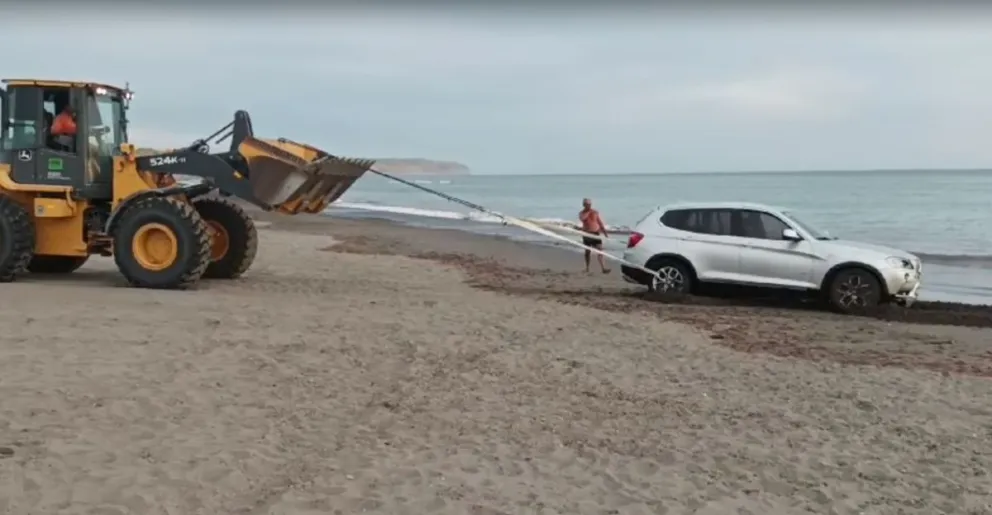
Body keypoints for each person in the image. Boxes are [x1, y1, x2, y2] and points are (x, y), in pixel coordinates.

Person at [578, 197, 611, 274]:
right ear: (584, 205)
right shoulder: (582, 213)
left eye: (590, 204)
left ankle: (603, 268)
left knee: (600, 250)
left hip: (595, 233)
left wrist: (605, 232)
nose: (589, 206)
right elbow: (583, 218)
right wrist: (588, 212)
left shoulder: (595, 212)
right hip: (586, 234)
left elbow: (599, 222)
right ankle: (587, 268)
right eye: (587, 204)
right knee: (587, 252)